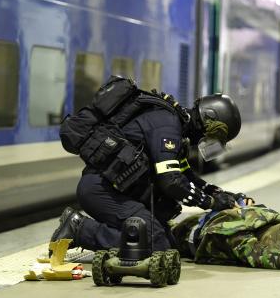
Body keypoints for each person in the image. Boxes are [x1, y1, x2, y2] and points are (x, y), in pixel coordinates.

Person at [50, 76, 247, 254]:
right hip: (102, 191)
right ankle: (80, 229)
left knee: (168, 245)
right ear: (209, 120)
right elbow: (171, 181)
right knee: (155, 244)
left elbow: (185, 176)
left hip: (113, 190)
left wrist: (219, 193)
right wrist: (209, 203)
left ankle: (97, 232)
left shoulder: (175, 127)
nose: (207, 141)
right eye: (214, 136)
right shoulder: (168, 126)